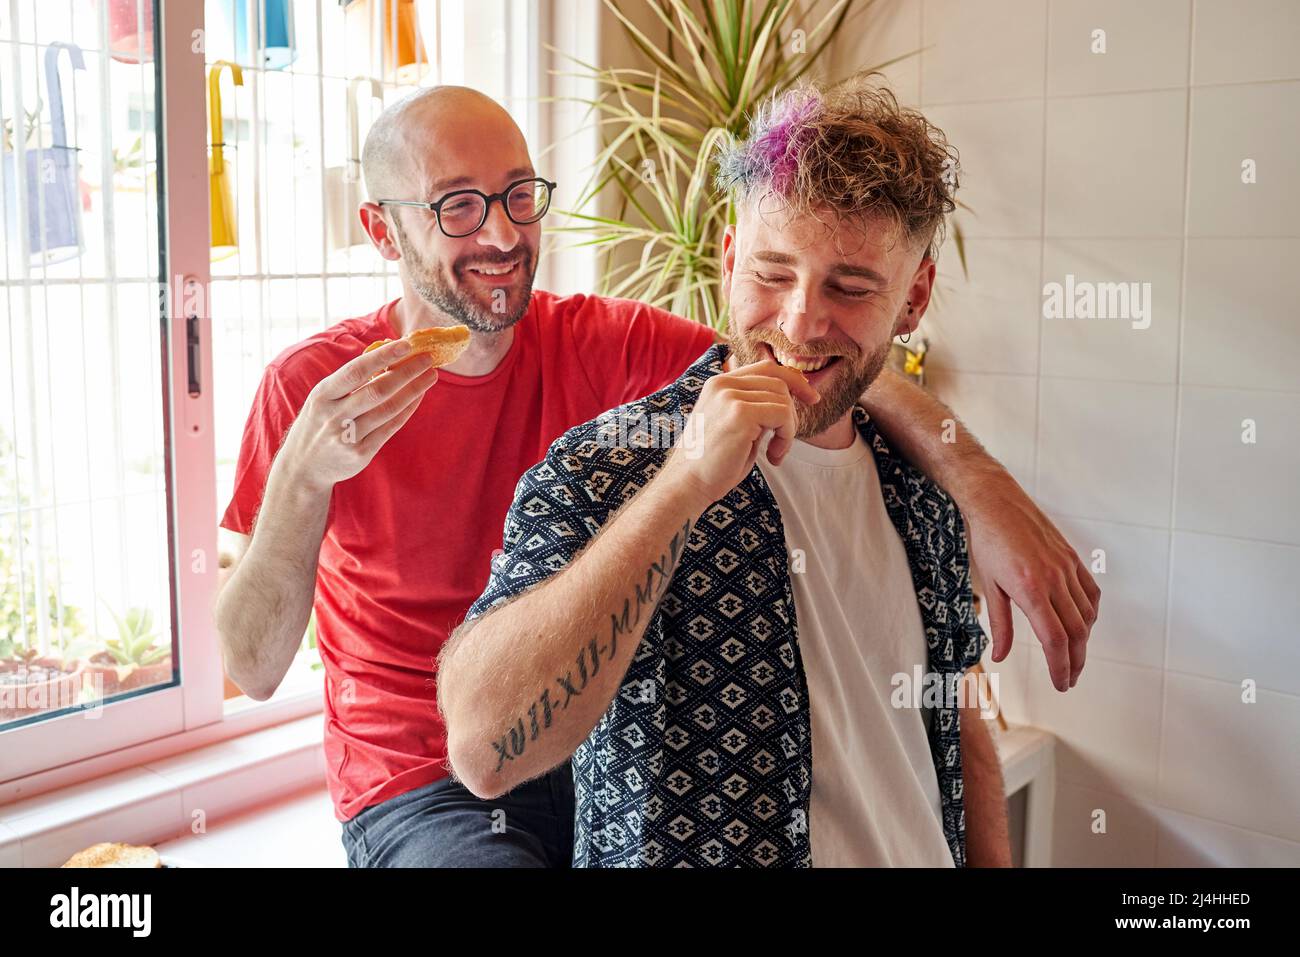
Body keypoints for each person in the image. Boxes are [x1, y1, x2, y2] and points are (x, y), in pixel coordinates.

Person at [217, 84, 1096, 868]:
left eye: (519, 195)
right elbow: (253, 669)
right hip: (421, 779)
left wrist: (979, 488)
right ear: (382, 227)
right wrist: (299, 477)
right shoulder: (313, 393)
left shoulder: (600, 342)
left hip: (590, 737)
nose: (500, 231)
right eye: (456, 206)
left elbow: (803, 364)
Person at [439, 77, 1021, 866]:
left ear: (913, 299)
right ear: (726, 258)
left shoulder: (922, 491)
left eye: (849, 287)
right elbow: (482, 748)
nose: (800, 321)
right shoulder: (607, 467)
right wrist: (681, 486)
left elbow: (958, 720)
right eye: (772, 273)